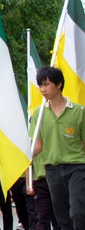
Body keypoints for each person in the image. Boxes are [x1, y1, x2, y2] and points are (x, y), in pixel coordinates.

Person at [30, 66, 85, 230]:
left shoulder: (79, 111)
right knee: (62, 217)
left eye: (46, 84)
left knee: (78, 212)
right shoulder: (39, 113)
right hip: (52, 170)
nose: (42, 89)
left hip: (77, 168)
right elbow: (38, 146)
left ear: (59, 84)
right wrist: (24, 157)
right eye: (40, 85)